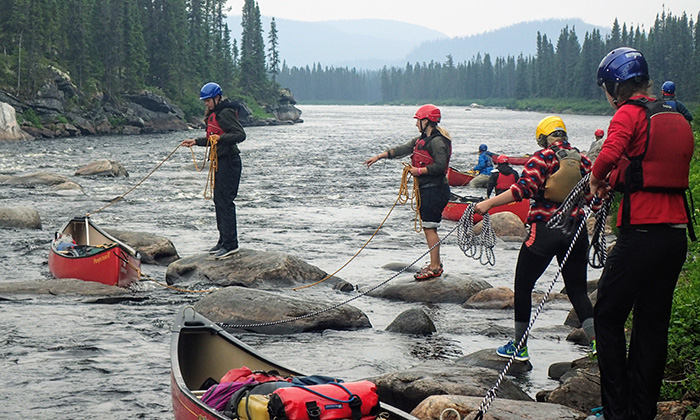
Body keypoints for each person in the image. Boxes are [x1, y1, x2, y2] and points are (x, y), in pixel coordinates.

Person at [588, 48, 694, 420]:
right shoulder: (677, 116)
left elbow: (610, 154)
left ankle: (616, 412)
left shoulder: (628, 114)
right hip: (675, 236)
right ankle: (641, 411)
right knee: (652, 325)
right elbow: (648, 166)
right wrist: (617, 178)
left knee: (607, 316)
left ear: (616, 86)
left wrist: (597, 180)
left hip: (640, 234)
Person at [474, 116, 596, 363]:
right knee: (578, 291)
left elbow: (522, 190)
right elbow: (596, 198)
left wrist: (488, 203)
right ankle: (600, 344)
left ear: (543, 138)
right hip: (576, 231)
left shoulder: (542, 158)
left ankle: (519, 347)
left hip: (545, 230)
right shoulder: (584, 160)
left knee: (524, 285)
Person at [364, 104, 452, 280]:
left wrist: (419, 171)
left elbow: (441, 166)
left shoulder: (437, 142)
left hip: (435, 191)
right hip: (427, 190)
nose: (416, 124)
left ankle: (435, 266)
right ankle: (435, 263)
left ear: (426, 121)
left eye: (418, 120)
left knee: (430, 228)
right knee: (429, 228)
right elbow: (403, 149)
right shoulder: (421, 140)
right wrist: (379, 157)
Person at [181, 82, 246, 259]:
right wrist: (196, 141)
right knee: (218, 200)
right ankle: (223, 241)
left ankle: (231, 244)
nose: (206, 104)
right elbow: (213, 138)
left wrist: (221, 138)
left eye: (208, 101)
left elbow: (240, 134)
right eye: (205, 101)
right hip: (220, 161)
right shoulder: (215, 113)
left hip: (230, 162)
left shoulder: (225, 113)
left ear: (217, 98)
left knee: (225, 201)